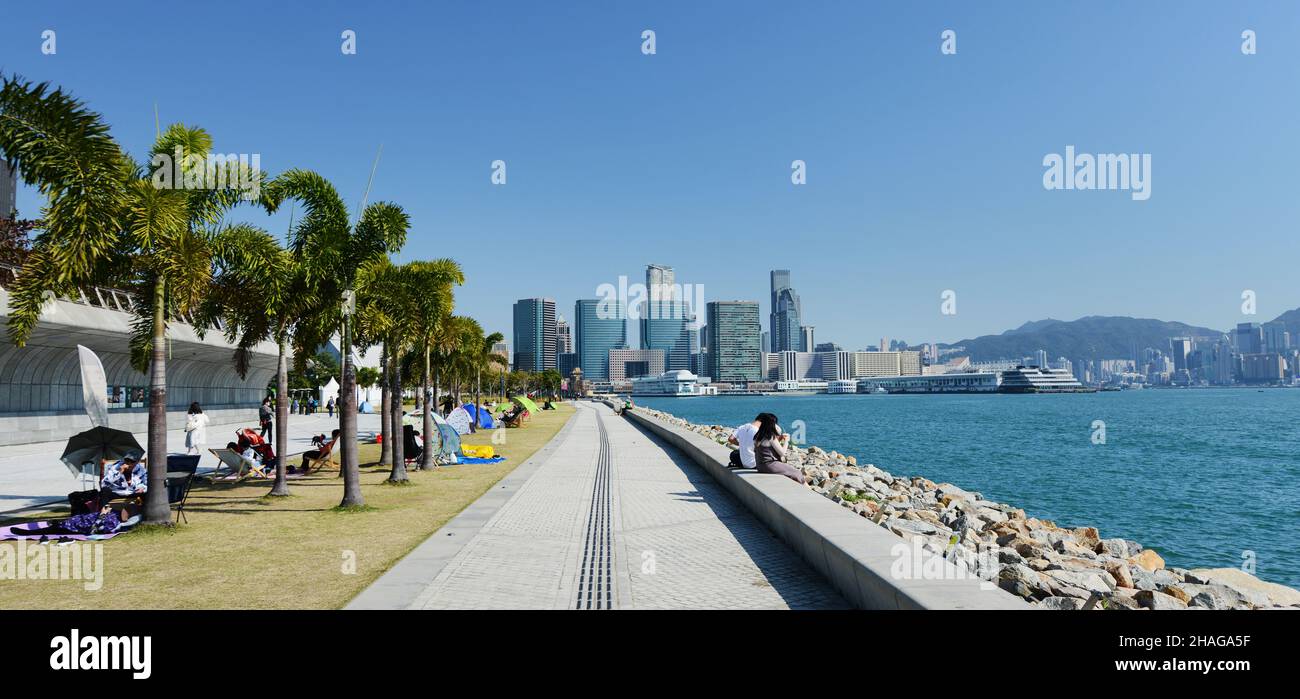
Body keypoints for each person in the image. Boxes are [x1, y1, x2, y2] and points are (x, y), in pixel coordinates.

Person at [10, 505, 122, 540]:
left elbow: (95, 530)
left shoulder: (113, 523)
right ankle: (57, 523)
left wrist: (102, 514)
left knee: (50, 531)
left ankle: (26, 533)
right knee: (59, 525)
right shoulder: (115, 513)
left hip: (76, 528)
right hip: (76, 521)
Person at [752, 413, 805, 484]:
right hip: (769, 465)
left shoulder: (757, 436)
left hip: (760, 466)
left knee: (790, 472)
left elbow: (766, 449)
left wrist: (778, 440)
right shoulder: (770, 437)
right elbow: (782, 453)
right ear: (771, 424)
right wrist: (787, 440)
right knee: (797, 472)